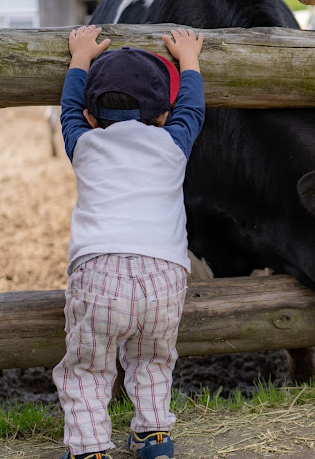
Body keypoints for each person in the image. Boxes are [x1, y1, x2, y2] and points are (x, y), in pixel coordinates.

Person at [53, 25, 205, 459]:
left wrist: (80, 57)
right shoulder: (173, 144)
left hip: (99, 274)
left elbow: (67, 108)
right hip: (164, 275)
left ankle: (88, 448)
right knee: (154, 359)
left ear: (89, 118)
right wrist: (189, 61)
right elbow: (192, 108)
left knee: (88, 367)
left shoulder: (83, 143)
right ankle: (154, 435)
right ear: (163, 115)